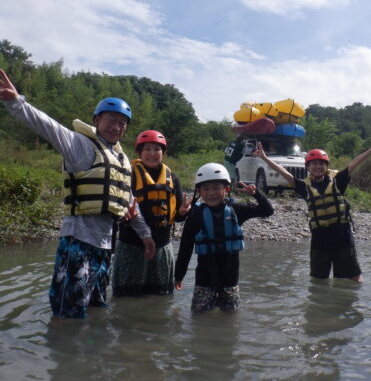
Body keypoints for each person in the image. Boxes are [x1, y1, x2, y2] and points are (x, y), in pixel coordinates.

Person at [0, 69, 155, 318]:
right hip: (78, 241)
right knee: (68, 311)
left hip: (106, 246)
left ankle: (91, 354)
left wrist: (145, 235)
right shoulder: (78, 144)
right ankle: (64, 350)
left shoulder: (122, 159)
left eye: (121, 123)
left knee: (96, 308)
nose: (116, 127)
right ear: (97, 120)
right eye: (111, 120)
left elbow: (128, 200)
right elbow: (47, 126)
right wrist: (16, 103)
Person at [253, 131, 371, 282]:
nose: (318, 166)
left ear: (326, 166)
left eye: (321, 163)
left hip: (342, 236)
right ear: (308, 167)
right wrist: (265, 158)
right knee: (318, 281)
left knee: (353, 277)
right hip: (319, 238)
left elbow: (355, 162)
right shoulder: (304, 186)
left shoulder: (338, 180)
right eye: (314, 164)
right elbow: (283, 172)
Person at [174, 163, 274, 312]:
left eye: (216, 188)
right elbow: (185, 247)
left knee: (230, 319)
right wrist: (179, 275)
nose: (211, 193)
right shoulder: (195, 215)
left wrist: (256, 194)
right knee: (200, 317)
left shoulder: (237, 210)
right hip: (204, 281)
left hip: (230, 280)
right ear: (199, 191)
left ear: (226, 189)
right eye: (206, 189)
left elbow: (267, 211)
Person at [112, 129, 190, 296]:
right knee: (126, 297)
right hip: (132, 245)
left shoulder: (173, 178)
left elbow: (176, 219)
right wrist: (122, 215)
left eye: (157, 149)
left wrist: (182, 213)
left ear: (163, 152)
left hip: (162, 247)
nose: (152, 154)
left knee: (161, 296)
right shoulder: (128, 175)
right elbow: (116, 208)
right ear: (139, 152)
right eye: (147, 149)